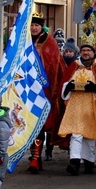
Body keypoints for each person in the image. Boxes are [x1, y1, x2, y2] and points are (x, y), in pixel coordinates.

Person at [57, 37, 96, 175]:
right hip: (74, 106)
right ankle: (74, 162)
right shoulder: (74, 66)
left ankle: (89, 161)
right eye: (83, 50)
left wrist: (95, 89)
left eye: (88, 50)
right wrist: (68, 87)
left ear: (93, 52)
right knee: (76, 134)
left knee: (90, 135)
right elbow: (63, 86)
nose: (86, 53)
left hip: (93, 107)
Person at [27, 12, 64, 171]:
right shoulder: (24, 42)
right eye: (32, 25)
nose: (34, 28)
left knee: (40, 126)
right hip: (27, 90)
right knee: (28, 125)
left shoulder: (50, 43)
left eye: (37, 25)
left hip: (44, 91)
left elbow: (53, 66)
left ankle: (36, 158)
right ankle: (33, 154)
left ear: (41, 26)